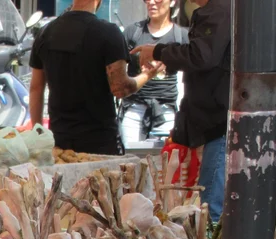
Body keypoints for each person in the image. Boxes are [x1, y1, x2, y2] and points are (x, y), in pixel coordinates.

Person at [135, 0, 230, 221]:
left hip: (219, 123)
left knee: (211, 208)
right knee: (208, 203)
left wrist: (159, 51)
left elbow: (202, 56)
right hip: (210, 122)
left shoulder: (220, 11)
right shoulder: (216, 11)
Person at [28, 0, 159, 155]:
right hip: (100, 143)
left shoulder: (45, 33)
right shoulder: (108, 32)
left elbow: (36, 88)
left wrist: (38, 133)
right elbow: (120, 88)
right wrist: (147, 75)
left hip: (59, 143)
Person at [120, 0, 188, 148]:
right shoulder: (133, 32)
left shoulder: (181, 36)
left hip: (166, 109)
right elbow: (117, 70)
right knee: (129, 156)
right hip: (134, 107)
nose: (151, 2)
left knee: (165, 157)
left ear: (172, 2)